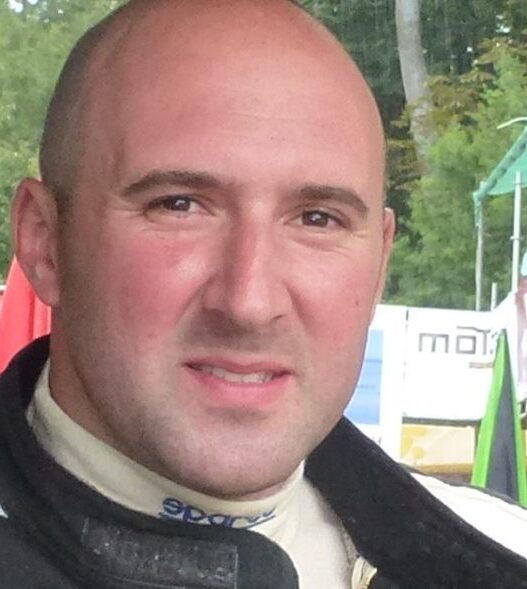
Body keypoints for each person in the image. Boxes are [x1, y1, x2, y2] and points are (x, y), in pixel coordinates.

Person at [1, 1, 527, 587]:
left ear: (380, 265)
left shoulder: (505, 550)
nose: (249, 304)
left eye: (318, 219)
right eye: (179, 206)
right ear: (45, 243)